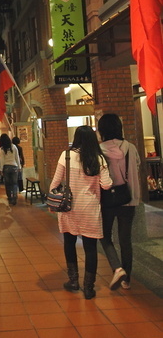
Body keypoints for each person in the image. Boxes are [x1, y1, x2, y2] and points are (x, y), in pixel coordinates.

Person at [49, 125, 113, 299]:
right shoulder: (98, 159)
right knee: (90, 248)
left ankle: (74, 281)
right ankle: (89, 288)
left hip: (69, 208)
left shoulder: (66, 155)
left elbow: (54, 183)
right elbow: (107, 185)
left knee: (69, 243)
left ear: (76, 138)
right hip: (90, 209)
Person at [98, 113, 141, 291]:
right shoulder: (130, 147)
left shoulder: (99, 149)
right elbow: (137, 165)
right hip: (127, 197)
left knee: (105, 236)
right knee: (125, 239)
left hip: (107, 199)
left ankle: (117, 267)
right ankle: (127, 280)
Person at [0, 133, 21, 205]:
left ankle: (10, 198)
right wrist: (19, 167)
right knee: (14, 183)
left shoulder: (1, 149)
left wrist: (1, 169)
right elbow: (17, 157)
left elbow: (2, 160)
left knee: (8, 184)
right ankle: (14, 197)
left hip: (6, 168)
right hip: (14, 166)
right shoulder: (14, 147)